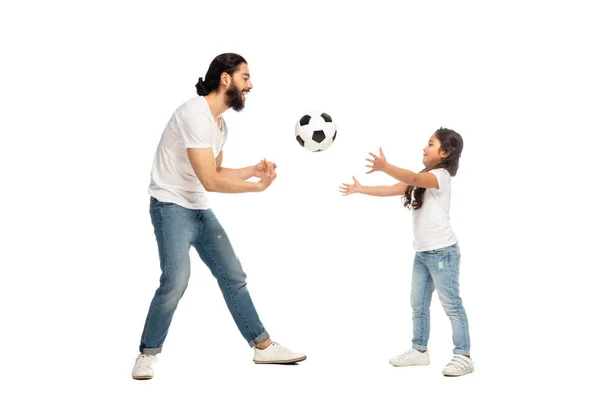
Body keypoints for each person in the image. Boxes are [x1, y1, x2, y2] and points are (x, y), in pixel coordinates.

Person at [132, 53, 306, 380]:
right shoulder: (193, 114)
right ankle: (148, 354)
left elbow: (214, 171)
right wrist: (257, 188)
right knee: (176, 280)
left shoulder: (220, 125)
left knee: (233, 275)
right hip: (170, 206)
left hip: (198, 209)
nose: (250, 85)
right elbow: (211, 181)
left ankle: (263, 346)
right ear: (225, 79)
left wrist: (253, 171)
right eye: (245, 77)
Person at [339, 128, 473, 377]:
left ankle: (463, 355)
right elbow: (394, 188)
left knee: (452, 305)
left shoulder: (441, 176)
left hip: (443, 253)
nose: (424, 147)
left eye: (430, 144)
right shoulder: (423, 177)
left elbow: (410, 177)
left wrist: (385, 165)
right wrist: (361, 189)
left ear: (445, 152)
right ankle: (419, 351)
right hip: (422, 254)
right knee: (418, 304)